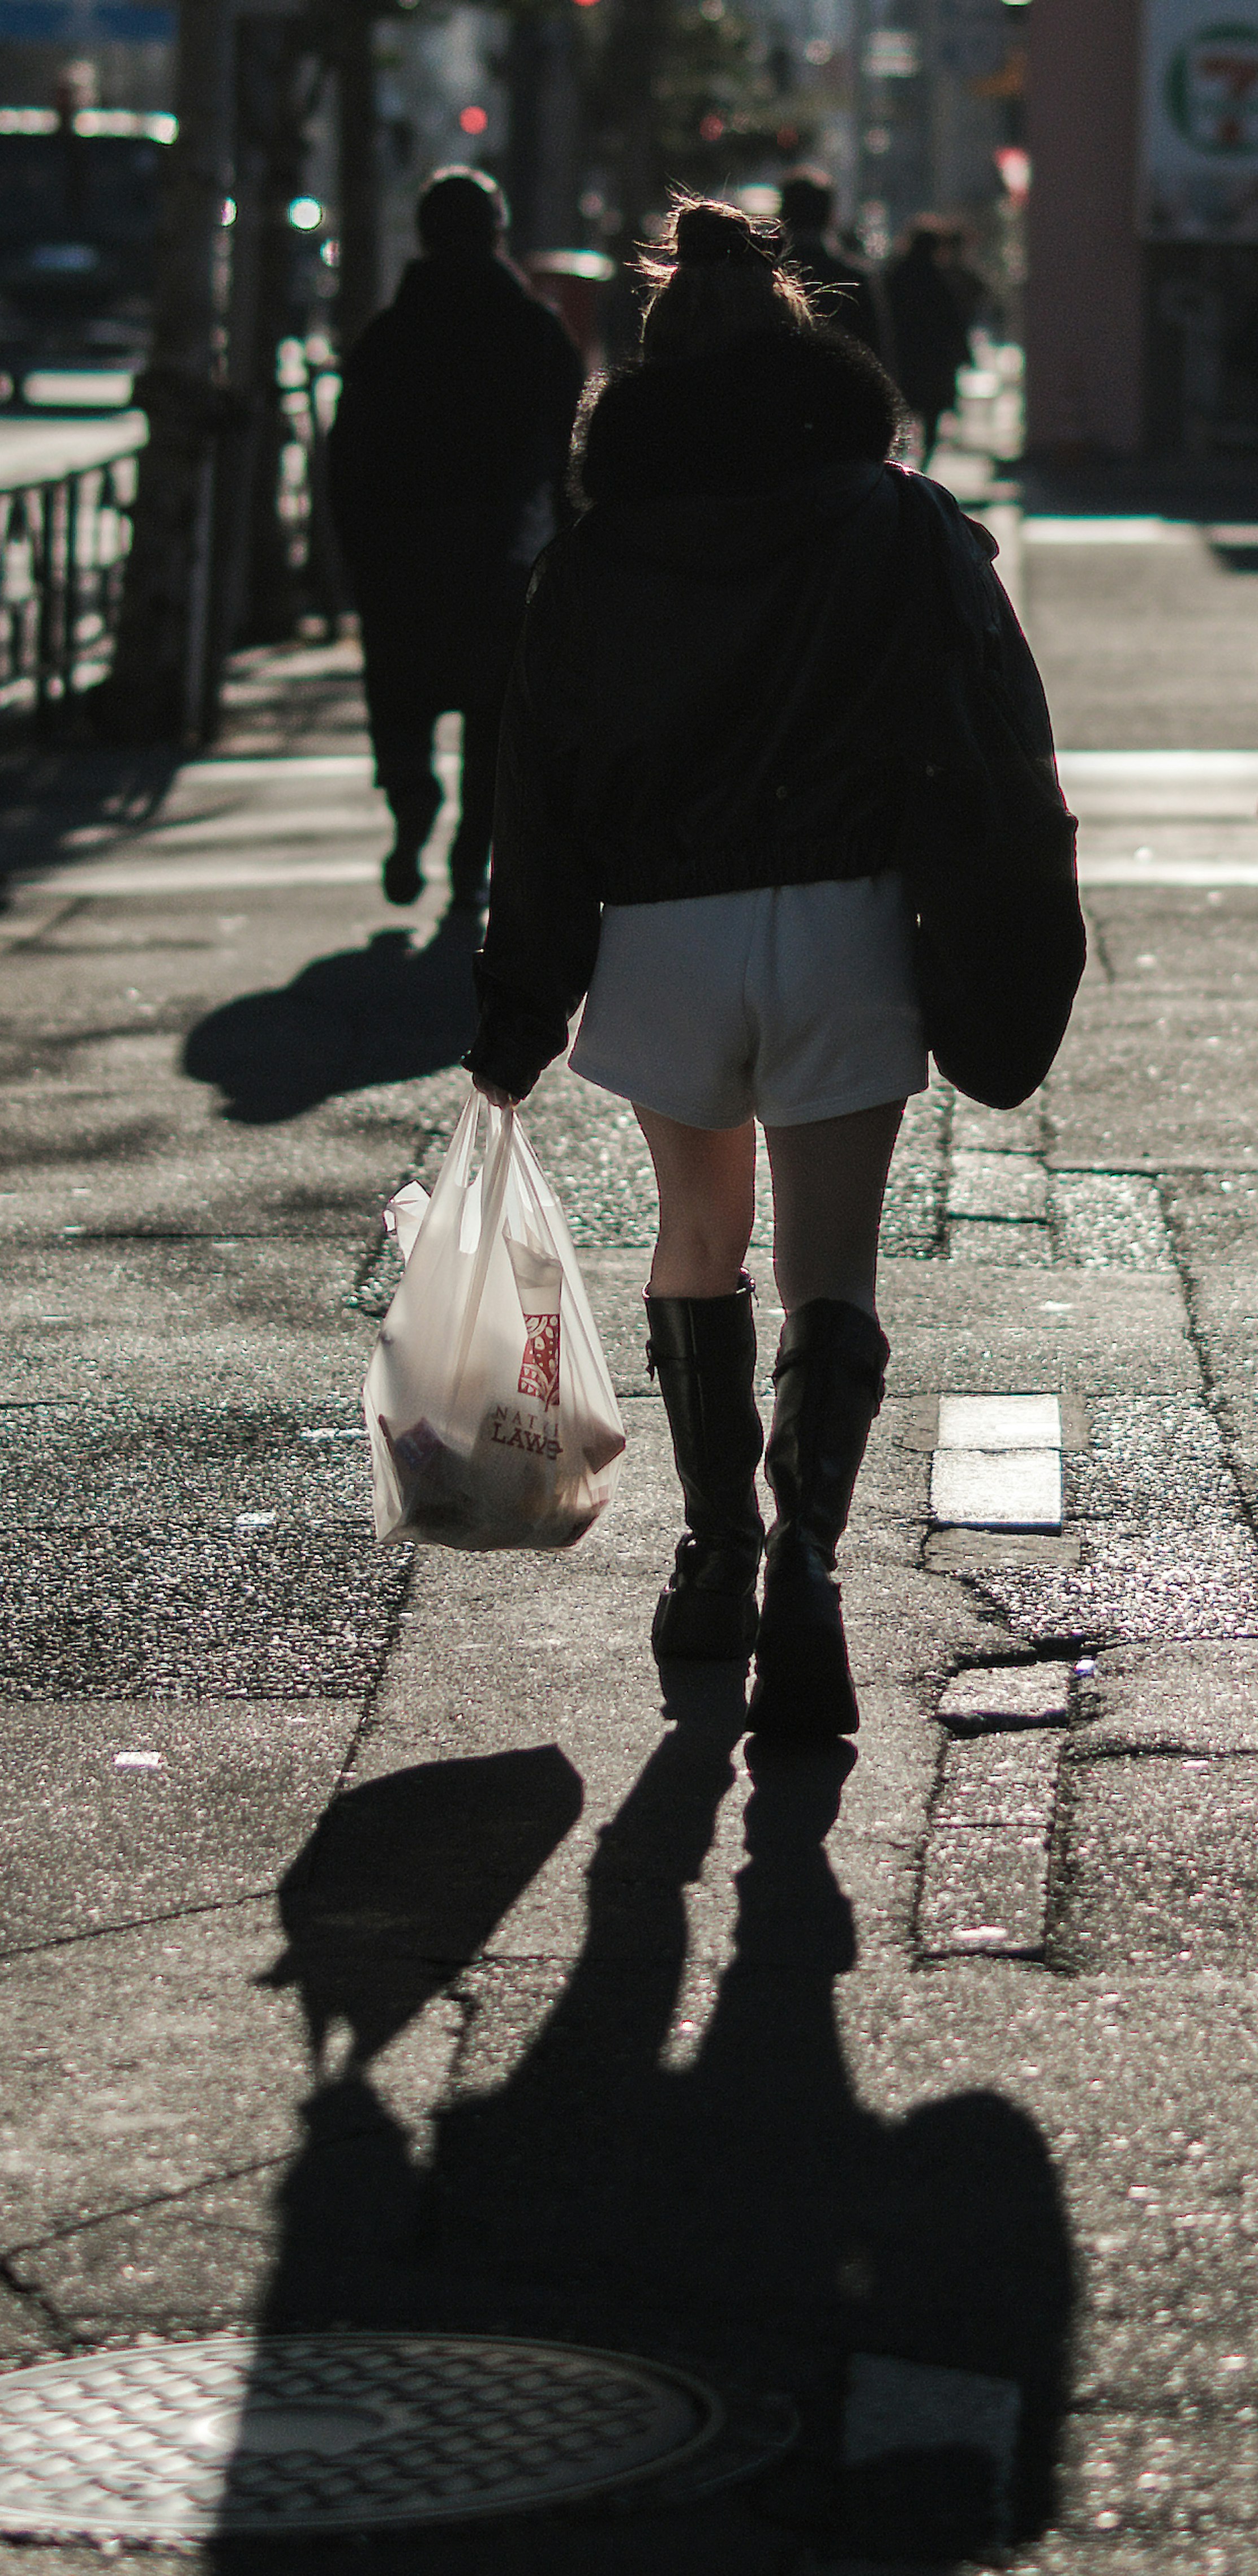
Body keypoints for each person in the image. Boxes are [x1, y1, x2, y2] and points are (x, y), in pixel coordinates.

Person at [466, 197, 1062, 1739]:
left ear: (648, 369)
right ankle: (809, 1561)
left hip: (664, 931)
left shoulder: (601, 555)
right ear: (811, 349)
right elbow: (995, 734)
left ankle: (714, 1552)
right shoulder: (895, 518)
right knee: (831, 1268)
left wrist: (519, 1003)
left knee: (696, 1236)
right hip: (850, 923)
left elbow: (539, 787)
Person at [328, 167, 583, 917]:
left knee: (402, 702)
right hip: (503, 556)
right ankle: (471, 861)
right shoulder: (536, 332)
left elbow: (348, 456)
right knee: (494, 722)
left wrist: (351, 558)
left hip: (401, 561)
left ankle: (411, 805)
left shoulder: (388, 335)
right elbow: (573, 454)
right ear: (497, 232)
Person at [890, 219, 972, 462]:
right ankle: (925, 460)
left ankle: (899, 459)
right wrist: (963, 353)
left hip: (904, 355)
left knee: (902, 407)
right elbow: (953, 320)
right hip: (936, 358)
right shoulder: (941, 278)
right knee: (932, 411)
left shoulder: (897, 274)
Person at [776, 170, 880, 356]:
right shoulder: (854, 281)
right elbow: (876, 354)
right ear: (829, 217)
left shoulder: (766, 276)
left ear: (783, 215)